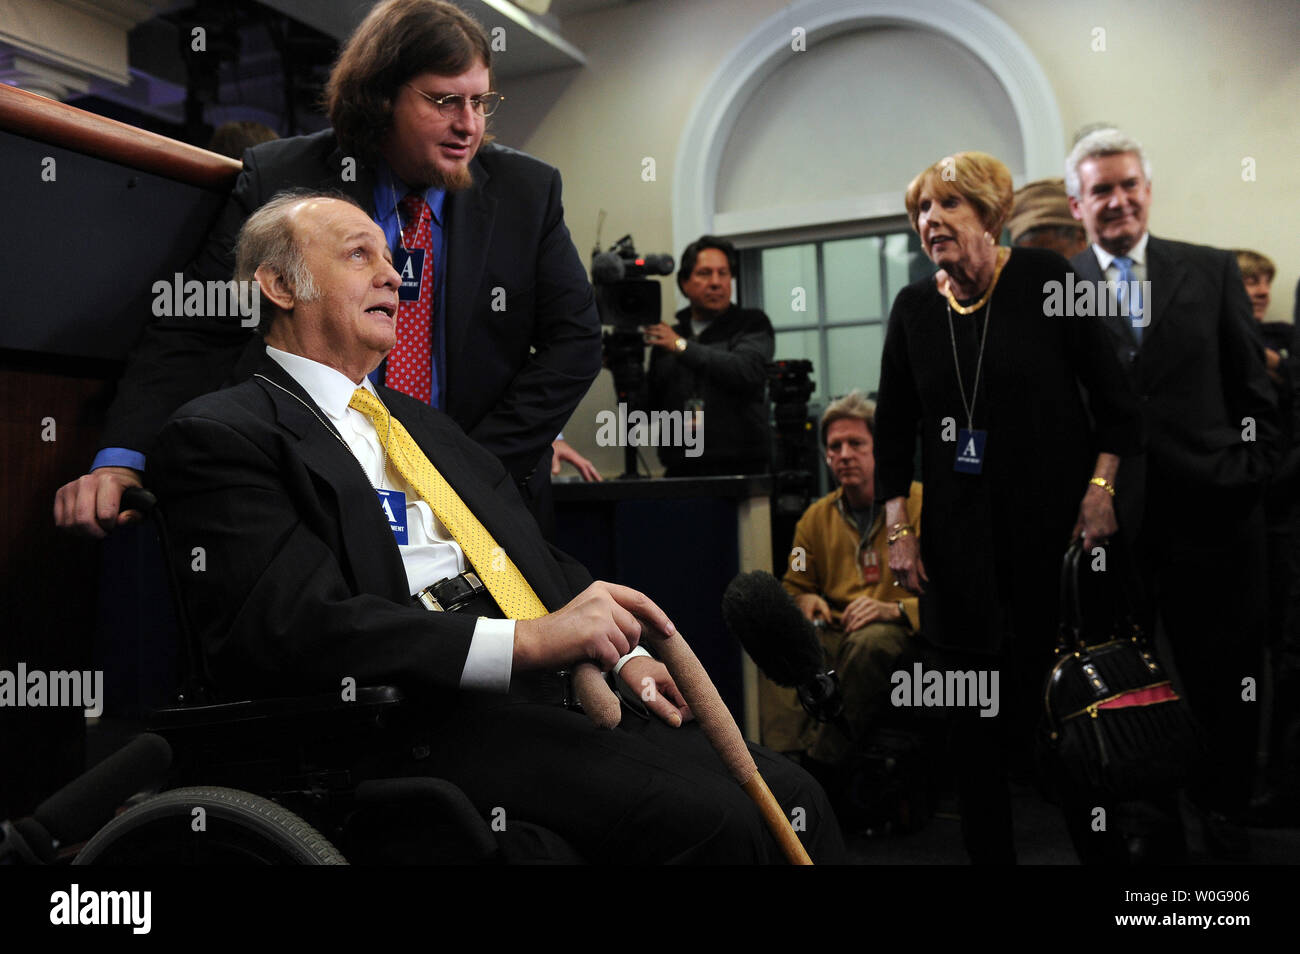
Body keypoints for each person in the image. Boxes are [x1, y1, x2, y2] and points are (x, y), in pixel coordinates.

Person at [147, 191, 843, 864]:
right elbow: (295, 629)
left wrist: (625, 656)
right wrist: (528, 643)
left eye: (393, 259)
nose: (395, 274)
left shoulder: (424, 425)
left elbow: (524, 555)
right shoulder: (222, 433)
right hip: (415, 713)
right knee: (720, 825)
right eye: (361, 256)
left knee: (795, 795)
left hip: (549, 685)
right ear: (278, 285)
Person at [54, 0, 600, 537]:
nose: (469, 126)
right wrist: (122, 458)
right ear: (382, 96)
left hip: (481, 502)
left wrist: (472, 468)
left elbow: (574, 343)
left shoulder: (527, 193)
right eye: (444, 101)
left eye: (481, 102)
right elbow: (198, 323)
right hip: (314, 496)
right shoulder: (282, 178)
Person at [873, 151, 1141, 863]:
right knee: (973, 739)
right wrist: (899, 530)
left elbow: (1119, 405)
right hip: (957, 562)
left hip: (1053, 547)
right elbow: (892, 432)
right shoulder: (913, 310)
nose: (931, 220)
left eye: (949, 205)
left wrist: (1102, 489)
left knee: (1071, 734)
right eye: (922, 210)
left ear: (991, 214)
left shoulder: (1048, 280)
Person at [1067, 129, 1279, 855]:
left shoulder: (1211, 270)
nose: (1118, 200)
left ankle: (1224, 816)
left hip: (1216, 517)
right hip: (1112, 523)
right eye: (1101, 189)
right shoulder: (1055, 287)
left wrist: (1248, 471)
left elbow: (1255, 391)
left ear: (1147, 191)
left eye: (1128, 185)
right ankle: (1149, 826)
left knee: (1225, 681)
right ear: (1077, 203)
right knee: (1128, 681)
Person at [774, 391, 923, 771]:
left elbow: (953, 591)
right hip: (837, 628)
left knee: (868, 644)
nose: (843, 454)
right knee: (778, 639)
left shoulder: (919, 504)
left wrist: (894, 609)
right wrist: (806, 601)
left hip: (899, 628)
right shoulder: (813, 518)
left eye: (856, 444)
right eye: (834, 446)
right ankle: (783, 761)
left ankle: (821, 765)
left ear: (879, 449)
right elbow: (795, 584)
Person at [644, 236, 774, 477]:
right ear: (684, 283)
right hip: (680, 470)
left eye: (723, 273)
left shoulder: (752, 323)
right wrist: (623, 372)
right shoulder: (667, 338)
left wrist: (681, 347)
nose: (716, 282)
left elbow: (747, 372)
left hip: (743, 470)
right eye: (704, 273)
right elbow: (647, 414)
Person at [1005, 178, 1088, 259]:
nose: (1044, 268)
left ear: (1080, 240)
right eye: (1030, 259)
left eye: (1053, 257)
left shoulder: (1071, 272)